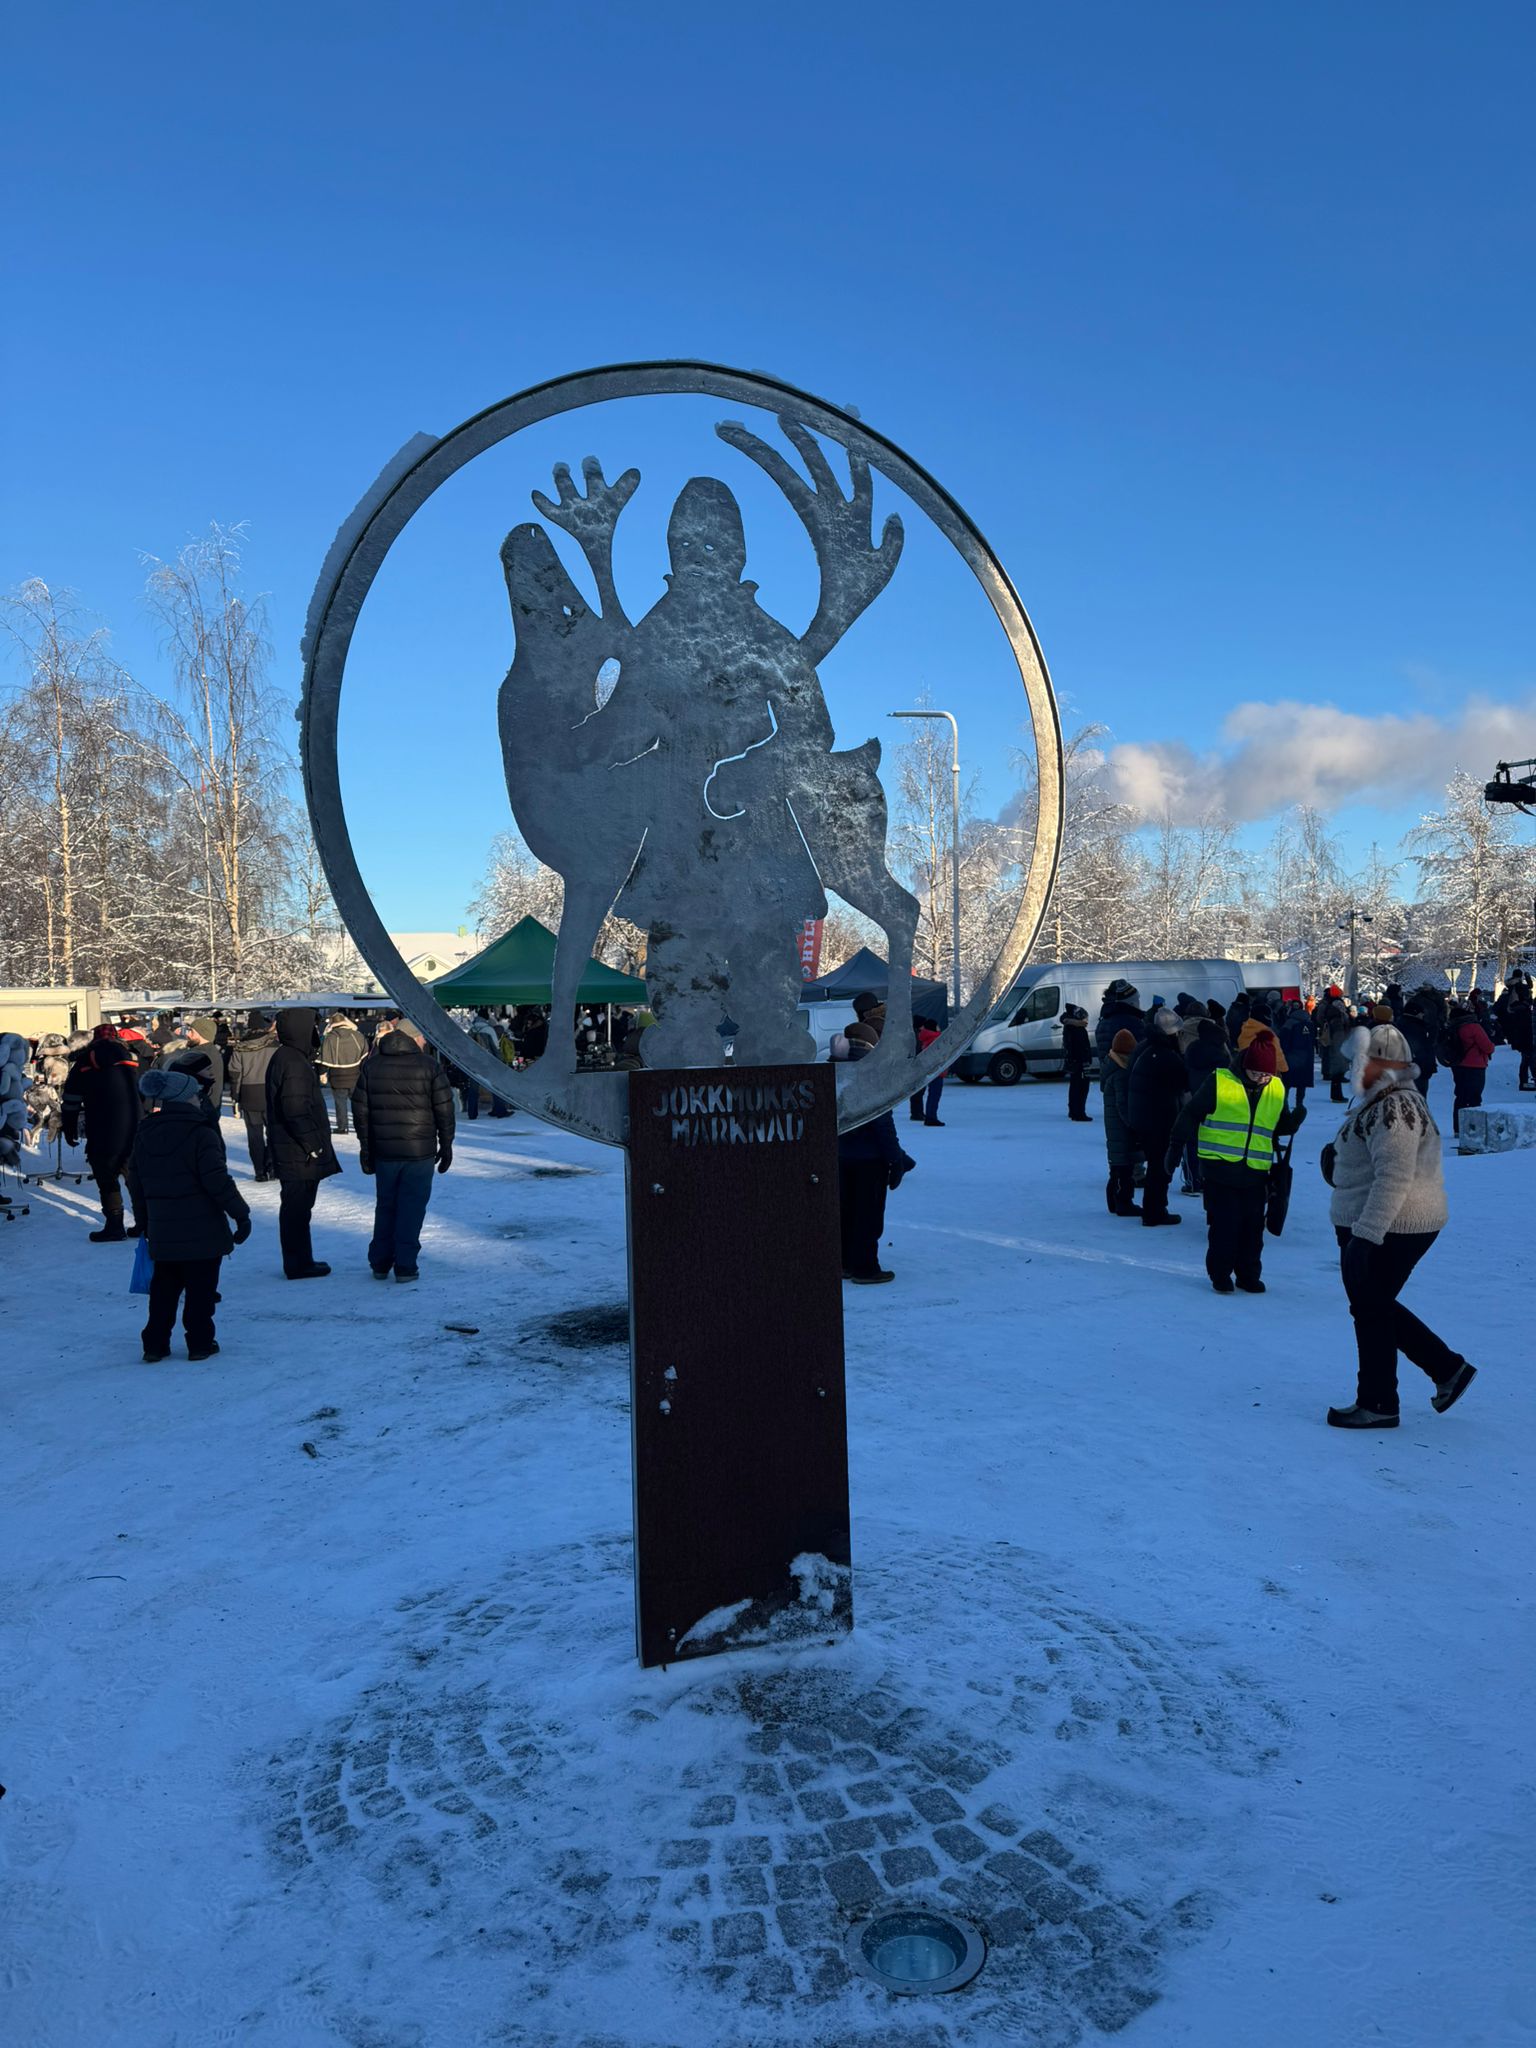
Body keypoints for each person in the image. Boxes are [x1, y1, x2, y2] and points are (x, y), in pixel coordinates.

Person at [1325, 1023, 1475, 1428]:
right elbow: (1369, 1159)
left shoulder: (1396, 1108)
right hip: (1382, 1221)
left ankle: (1379, 1403)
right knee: (1373, 1305)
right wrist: (1337, 1160)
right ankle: (1445, 1371)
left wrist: (1365, 1237)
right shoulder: (1381, 1100)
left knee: (1371, 1309)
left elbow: (1394, 1176)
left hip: (1395, 1224)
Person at [126, 1067, 252, 1362]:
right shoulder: (201, 1133)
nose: (200, 1098)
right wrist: (240, 1214)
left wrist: (144, 1220)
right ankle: (200, 1343)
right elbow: (217, 1181)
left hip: (163, 1229)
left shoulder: (146, 1131)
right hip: (203, 1230)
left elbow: (136, 1181)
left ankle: (155, 1344)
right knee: (201, 1291)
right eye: (196, 1093)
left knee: (163, 1290)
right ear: (185, 1098)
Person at [1166, 1033, 1304, 1294]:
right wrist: (1175, 1146)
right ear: (1245, 1065)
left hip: (1255, 1171)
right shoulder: (1220, 1081)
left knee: (1253, 1229)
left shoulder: (1276, 1087)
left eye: (1266, 1075)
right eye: (1256, 1073)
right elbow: (1191, 1112)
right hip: (1220, 1169)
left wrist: (1294, 1121)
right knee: (1225, 1226)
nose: (1261, 1079)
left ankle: (1248, 1274)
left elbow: (1276, 1126)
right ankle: (1220, 1274)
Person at [352, 1018, 455, 1282]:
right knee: (412, 1207)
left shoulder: (371, 1065)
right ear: (414, 1038)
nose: (425, 1041)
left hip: (385, 1150)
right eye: (422, 1037)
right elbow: (445, 1110)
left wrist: (366, 1148)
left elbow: (360, 1112)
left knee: (386, 1205)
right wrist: (447, 1144)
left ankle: (380, 1261)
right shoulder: (429, 1066)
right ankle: (406, 1264)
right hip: (419, 1150)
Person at [264, 1007, 340, 1279]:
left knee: (298, 1209)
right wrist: (313, 1145)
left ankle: (300, 1260)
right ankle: (298, 1263)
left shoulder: (290, 1057)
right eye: (312, 1028)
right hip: (297, 1151)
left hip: (294, 1149)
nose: (316, 1033)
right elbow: (294, 1108)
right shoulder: (292, 1062)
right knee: (296, 1209)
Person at [834, 1031, 914, 1282]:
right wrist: (895, 1159)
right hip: (869, 1162)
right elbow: (882, 1125)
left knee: (845, 1214)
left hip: (839, 1159)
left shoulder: (833, 1080)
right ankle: (865, 1268)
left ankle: (845, 1263)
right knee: (868, 1217)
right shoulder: (871, 1083)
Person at [61, 1026, 143, 1240]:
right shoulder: (134, 1059)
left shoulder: (85, 1061)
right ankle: (144, 1223)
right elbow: (149, 1091)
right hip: (135, 1126)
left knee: (106, 1176)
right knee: (134, 1175)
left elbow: (70, 1099)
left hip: (102, 1126)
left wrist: (69, 1129)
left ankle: (115, 1225)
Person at [1125, 1009, 1187, 1226]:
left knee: (1155, 1165)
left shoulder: (1145, 1048)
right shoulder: (1167, 1056)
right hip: (1158, 1119)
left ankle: (1155, 1209)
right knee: (1160, 1167)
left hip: (1142, 1116)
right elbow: (1184, 1083)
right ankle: (1154, 1211)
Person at [227, 1014, 279, 1180]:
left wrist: (235, 1096)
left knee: (254, 1134)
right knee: (273, 1132)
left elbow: (235, 1074)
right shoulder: (274, 1046)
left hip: (249, 1094)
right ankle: (272, 1166)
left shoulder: (240, 1047)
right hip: (270, 1093)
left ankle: (259, 1171)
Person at [1100, 1027, 1142, 1216]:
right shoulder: (1122, 1074)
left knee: (1117, 1167)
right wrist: (1135, 1124)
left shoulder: (1110, 1066)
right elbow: (1123, 1106)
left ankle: (1114, 1202)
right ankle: (1124, 1202)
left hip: (1114, 1129)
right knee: (1124, 1169)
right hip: (1121, 1130)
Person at [1442, 1000, 1494, 1134]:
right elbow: (1488, 1046)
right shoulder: (1473, 1026)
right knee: (1474, 1098)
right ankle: (1473, 1128)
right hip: (1475, 1065)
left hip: (1458, 1064)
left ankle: (1458, 1128)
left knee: (1460, 1096)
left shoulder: (1452, 1025)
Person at [156, 1016, 225, 1106]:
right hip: (205, 1107)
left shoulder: (199, 1055)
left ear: (202, 1033)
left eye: (192, 1031)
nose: (188, 1034)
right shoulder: (210, 1051)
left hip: (198, 1109)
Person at [319, 1011, 369, 1134]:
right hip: (354, 1075)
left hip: (337, 1076)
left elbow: (324, 1057)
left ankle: (342, 1127)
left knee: (340, 1103)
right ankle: (362, 1125)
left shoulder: (330, 1038)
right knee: (358, 1103)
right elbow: (364, 1055)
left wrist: (322, 1074)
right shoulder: (357, 1036)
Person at [1314, 986, 1353, 1103]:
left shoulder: (1326, 1006)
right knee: (1337, 1060)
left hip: (1332, 1035)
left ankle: (1336, 1086)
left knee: (1333, 1058)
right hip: (1337, 1036)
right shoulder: (1337, 1013)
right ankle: (1336, 1093)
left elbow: (1319, 1018)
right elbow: (1343, 1024)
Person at [1277, 1000, 1314, 1112]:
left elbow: (1283, 1040)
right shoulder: (1310, 1023)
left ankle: (1284, 1103)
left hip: (1291, 1057)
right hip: (1306, 1057)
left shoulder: (1289, 1023)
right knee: (1302, 1082)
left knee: (1287, 1081)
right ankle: (1300, 1104)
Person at [1093, 979, 1144, 1062]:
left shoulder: (1103, 1020)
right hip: (1128, 1072)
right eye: (1137, 999)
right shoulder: (1133, 1022)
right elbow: (1141, 1054)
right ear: (1131, 1002)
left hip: (1108, 1072)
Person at [909, 1014, 946, 1126]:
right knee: (933, 1094)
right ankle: (930, 1117)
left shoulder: (925, 1038)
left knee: (924, 1093)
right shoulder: (935, 1039)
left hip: (927, 1069)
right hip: (936, 1070)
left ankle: (923, 1114)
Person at [1061, 1004, 1093, 1122]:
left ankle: (1074, 1110)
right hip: (1080, 1062)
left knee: (1075, 1086)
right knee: (1081, 1087)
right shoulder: (1078, 1030)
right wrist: (1086, 1060)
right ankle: (1079, 1112)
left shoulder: (1071, 1027)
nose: (1086, 1021)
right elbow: (1082, 1047)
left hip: (1075, 1061)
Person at [1505, 980, 1535, 1089]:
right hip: (1527, 1038)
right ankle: (1526, 1081)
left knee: (1526, 1060)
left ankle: (1524, 1081)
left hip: (1524, 1038)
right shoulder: (1523, 1009)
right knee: (1530, 1059)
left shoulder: (1518, 1007)